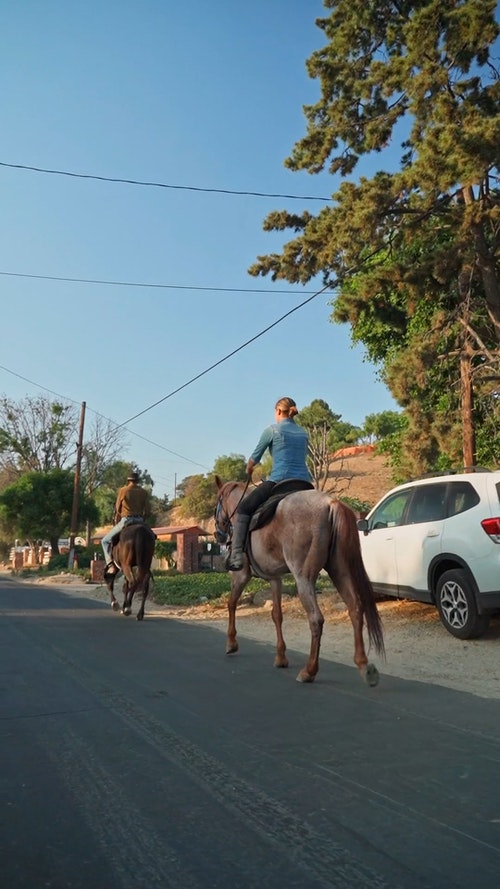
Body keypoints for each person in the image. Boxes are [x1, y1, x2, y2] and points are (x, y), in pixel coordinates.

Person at [227, 396, 312, 571]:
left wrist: (249, 469)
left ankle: (236, 555)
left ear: (279, 411)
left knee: (243, 508)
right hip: (305, 484)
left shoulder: (272, 430)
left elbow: (253, 460)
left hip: (280, 482)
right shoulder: (304, 433)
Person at [101, 471, 151, 574]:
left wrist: (120, 514)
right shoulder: (144, 492)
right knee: (152, 537)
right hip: (140, 520)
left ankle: (111, 565)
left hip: (126, 520)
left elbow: (117, 507)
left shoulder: (123, 491)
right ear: (137, 481)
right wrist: (143, 518)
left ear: (128, 481)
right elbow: (148, 511)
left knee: (105, 541)